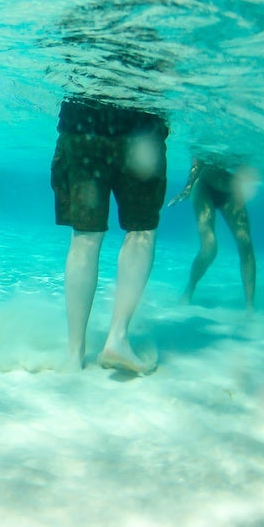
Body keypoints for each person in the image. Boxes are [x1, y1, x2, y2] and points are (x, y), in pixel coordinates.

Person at [51, 96, 169, 373]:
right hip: (142, 127)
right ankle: (117, 338)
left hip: (83, 122)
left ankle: (73, 352)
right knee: (141, 231)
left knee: (85, 237)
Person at [169, 159, 256, 310]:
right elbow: (198, 161)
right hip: (204, 187)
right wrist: (187, 189)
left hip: (231, 192)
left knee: (245, 242)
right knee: (209, 248)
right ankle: (189, 289)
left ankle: (250, 307)